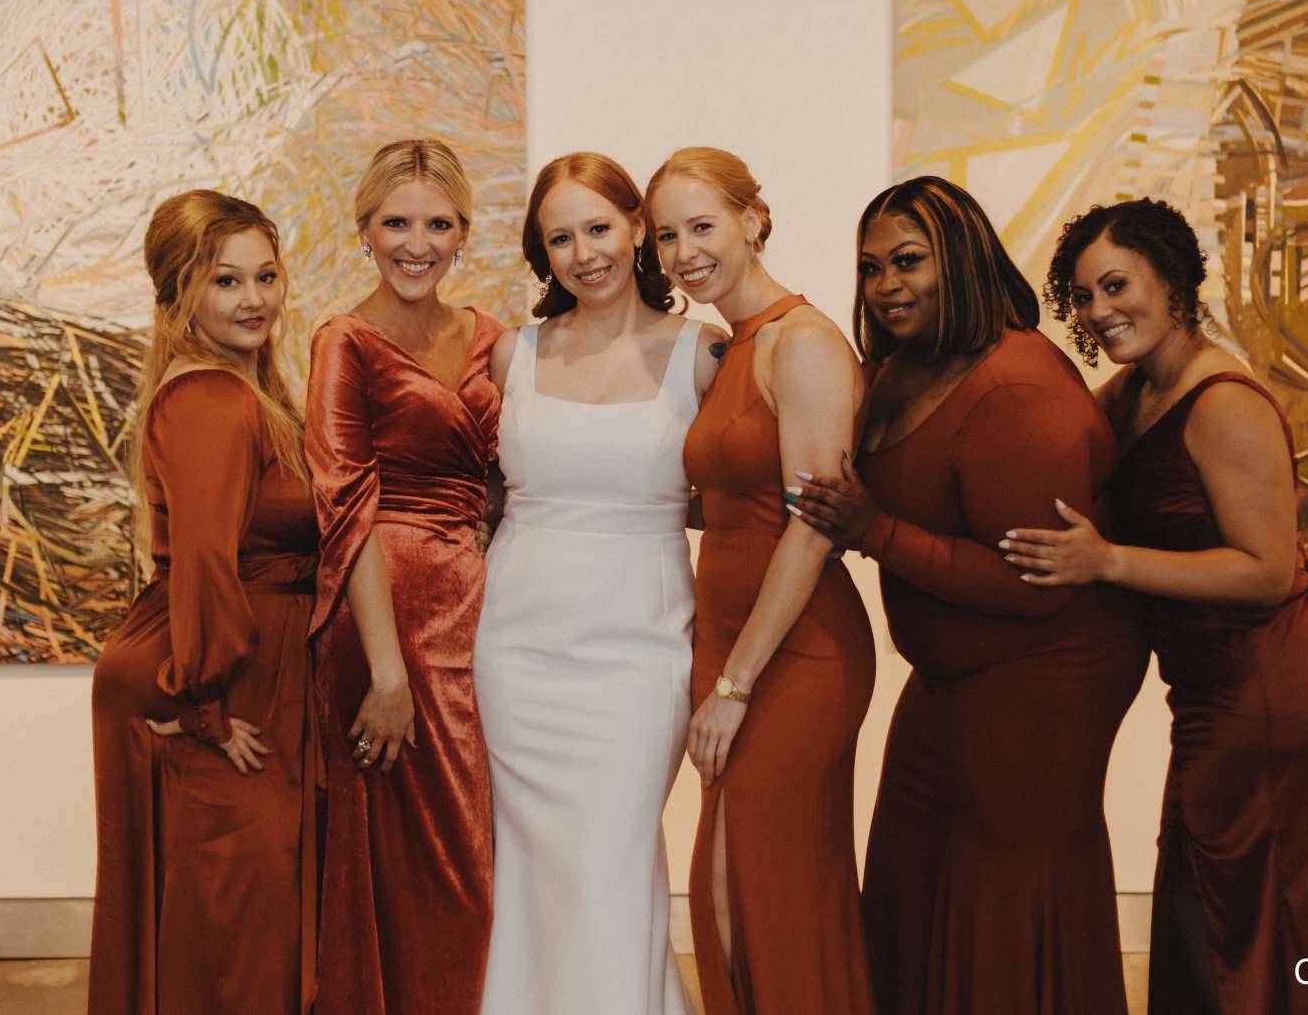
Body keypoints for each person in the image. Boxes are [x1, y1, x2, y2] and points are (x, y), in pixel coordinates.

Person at [790, 176, 1146, 1015]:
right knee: (911, 878)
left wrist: (873, 531)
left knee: (1004, 904)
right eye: (871, 266)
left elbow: (1032, 586)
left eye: (908, 261)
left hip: (1042, 677)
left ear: (962, 259)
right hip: (955, 675)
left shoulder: (1016, 389)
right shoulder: (902, 367)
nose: (886, 285)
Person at [1006, 198, 1308, 1015]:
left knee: (1239, 905)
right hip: (1213, 684)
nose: (1100, 311)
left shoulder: (1222, 400)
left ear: (1171, 281)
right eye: (1084, 295)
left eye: (1117, 285)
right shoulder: (1134, 390)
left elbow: (1268, 571)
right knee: (1213, 893)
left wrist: (1108, 561)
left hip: (1274, 681)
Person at [474, 152, 722, 1015]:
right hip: (517, 649)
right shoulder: (514, 352)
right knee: (534, 870)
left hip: (637, 652)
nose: (585, 253)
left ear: (635, 226)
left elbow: (737, 499)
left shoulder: (703, 354)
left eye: (599, 227)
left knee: (610, 865)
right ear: (543, 254)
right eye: (561, 237)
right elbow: (482, 498)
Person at [646, 146, 875, 1015]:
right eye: (667, 235)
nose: (682, 252)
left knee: (763, 896)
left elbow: (811, 526)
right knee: (725, 891)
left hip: (794, 653)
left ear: (752, 218)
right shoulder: (733, 345)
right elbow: (734, 506)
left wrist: (737, 682)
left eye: (702, 225)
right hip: (730, 645)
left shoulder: (803, 342)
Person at [88, 190, 318, 1014]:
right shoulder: (213, 401)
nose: (253, 298)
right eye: (226, 281)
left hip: (230, 667)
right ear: (181, 290)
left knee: (224, 920)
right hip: (217, 675)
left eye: (266, 275)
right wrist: (204, 703)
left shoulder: (249, 390)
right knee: (235, 930)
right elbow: (206, 562)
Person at [306, 139, 505, 1015]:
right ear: (364, 231)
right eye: (395, 222)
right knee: (430, 854)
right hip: (385, 621)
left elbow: (515, 477)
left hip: (483, 611)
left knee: (479, 847)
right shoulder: (343, 340)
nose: (415, 243)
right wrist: (387, 672)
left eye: (436, 222)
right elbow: (343, 508)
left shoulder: (493, 337)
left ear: (463, 232)